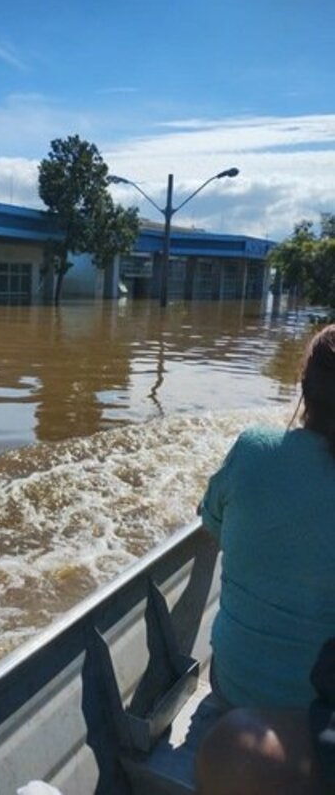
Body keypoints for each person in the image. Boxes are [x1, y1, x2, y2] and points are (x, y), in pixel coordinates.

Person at [196, 324, 335, 793]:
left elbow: (211, 523)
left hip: (237, 686)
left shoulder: (253, 451)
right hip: (318, 718)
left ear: (303, 390)